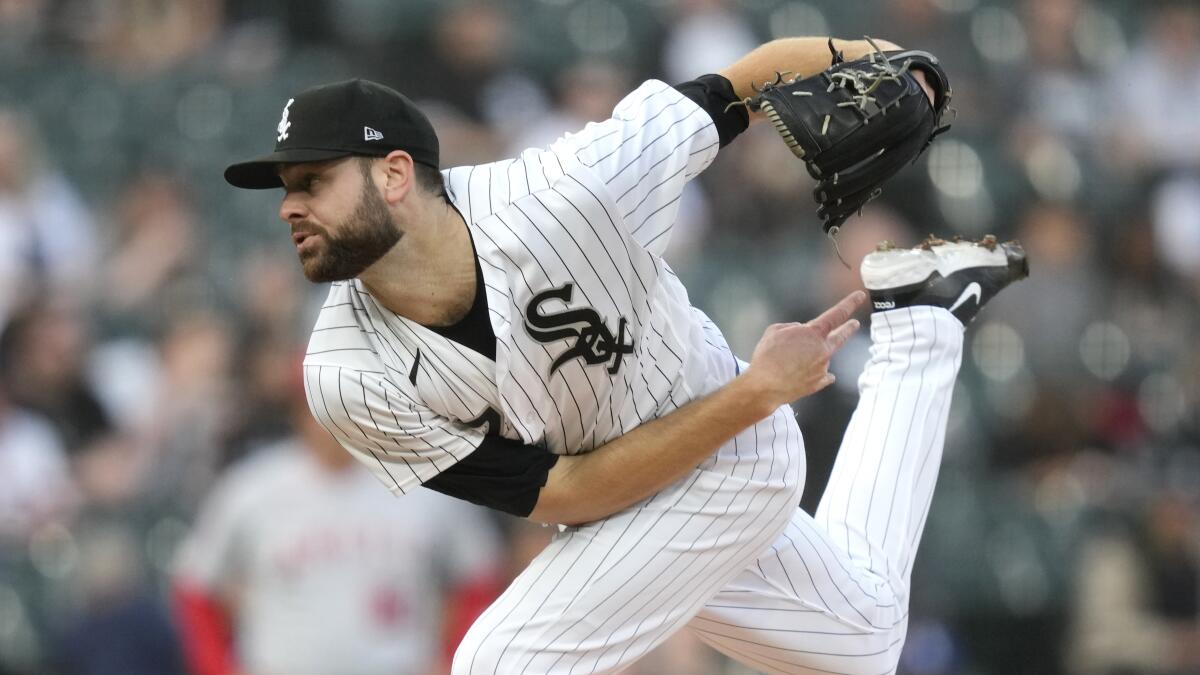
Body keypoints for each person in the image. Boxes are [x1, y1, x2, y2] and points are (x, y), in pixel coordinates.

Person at [224, 36, 1027, 674]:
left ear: (395, 174)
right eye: (287, 185)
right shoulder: (343, 375)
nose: (289, 204)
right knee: (864, 639)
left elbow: (740, 84)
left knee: (504, 663)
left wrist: (879, 55)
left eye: (313, 180)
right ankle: (925, 318)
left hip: (731, 458)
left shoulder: (566, 191)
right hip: (633, 481)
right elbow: (558, 493)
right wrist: (757, 391)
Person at [170, 375, 503, 675]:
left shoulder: (425, 481)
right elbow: (195, 589)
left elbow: (480, 579)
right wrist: (218, 668)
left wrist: (457, 661)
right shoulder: (251, 487)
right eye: (320, 402)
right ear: (300, 412)